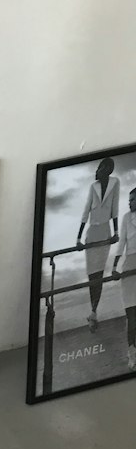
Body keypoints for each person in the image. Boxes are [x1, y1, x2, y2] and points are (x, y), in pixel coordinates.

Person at [76, 156, 120, 333]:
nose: (99, 170)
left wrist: (116, 233)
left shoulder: (114, 183)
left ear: (108, 170)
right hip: (91, 234)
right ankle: (93, 313)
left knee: (99, 276)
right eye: (100, 167)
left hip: (105, 232)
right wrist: (78, 239)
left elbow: (115, 208)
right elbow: (86, 210)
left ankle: (93, 312)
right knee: (91, 276)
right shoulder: (92, 186)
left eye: (103, 168)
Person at [111, 185, 136, 372]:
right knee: (132, 316)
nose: (129, 203)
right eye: (128, 200)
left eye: (132, 199)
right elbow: (121, 245)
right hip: (129, 266)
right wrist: (114, 267)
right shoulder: (127, 218)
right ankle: (132, 355)